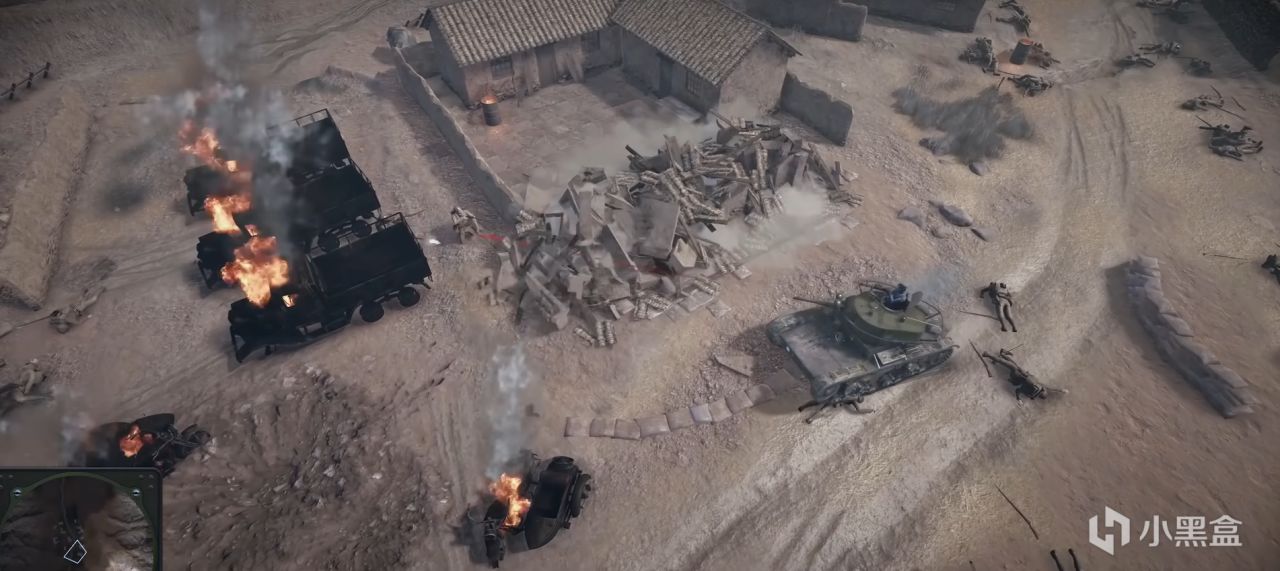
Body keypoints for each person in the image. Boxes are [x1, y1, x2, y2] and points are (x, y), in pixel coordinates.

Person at [982, 349, 1066, 402]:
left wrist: (1061, 390)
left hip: (1018, 374)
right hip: (1016, 380)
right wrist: (1019, 399)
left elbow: (1026, 376)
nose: (1044, 388)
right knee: (1012, 364)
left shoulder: (1036, 385)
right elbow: (1018, 391)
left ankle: (988, 354)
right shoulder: (1030, 394)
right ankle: (1003, 353)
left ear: (1042, 390)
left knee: (1007, 364)